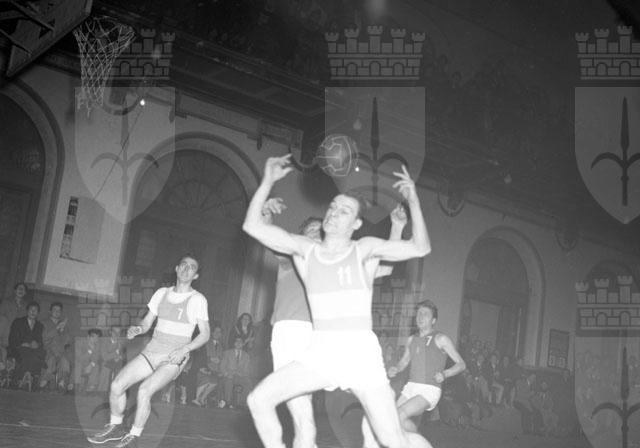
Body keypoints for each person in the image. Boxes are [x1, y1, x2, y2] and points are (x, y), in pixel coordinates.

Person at [242, 155, 433, 448]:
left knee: (392, 439)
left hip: (360, 354)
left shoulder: (364, 249)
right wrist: (267, 181)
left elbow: (420, 247)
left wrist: (414, 201)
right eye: (332, 207)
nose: (333, 213)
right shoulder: (305, 250)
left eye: (344, 211)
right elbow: (252, 226)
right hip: (322, 352)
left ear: (356, 223)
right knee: (259, 400)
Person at [263, 198, 407, 448]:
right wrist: (265, 212)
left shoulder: (339, 262)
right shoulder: (294, 254)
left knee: (378, 401)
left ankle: (384, 437)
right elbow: (267, 234)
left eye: (320, 231)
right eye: (311, 231)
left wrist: (397, 227)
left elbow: (386, 267)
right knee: (303, 420)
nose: (317, 235)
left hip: (330, 338)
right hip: (293, 332)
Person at [87, 254, 210, 448]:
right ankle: (115, 427)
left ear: (195, 276)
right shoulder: (161, 293)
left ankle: (134, 436)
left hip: (174, 357)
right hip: (152, 351)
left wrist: (184, 349)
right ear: (176, 268)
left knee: (144, 390)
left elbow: (205, 334)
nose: (186, 269)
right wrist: (137, 329)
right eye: (183, 265)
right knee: (117, 385)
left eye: (192, 267)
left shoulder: (197, 299)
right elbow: (146, 323)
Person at [363, 299, 466, 447]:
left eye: (425, 314)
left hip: (429, 389)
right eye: (418, 313)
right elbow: (404, 362)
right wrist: (396, 368)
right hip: (410, 387)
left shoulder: (441, 338)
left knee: (399, 416)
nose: (420, 317)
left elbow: (461, 364)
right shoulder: (412, 339)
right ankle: (419, 443)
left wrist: (445, 374)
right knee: (391, 420)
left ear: (433, 320)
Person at [8, 300, 46, 387]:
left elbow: (41, 341)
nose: (33, 312)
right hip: (18, 348)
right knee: (26, 352)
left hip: (33, 350)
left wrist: (37, 344)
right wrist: (22, 344)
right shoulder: (18, 321)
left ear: (38, 313)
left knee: (41, 353)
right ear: (27, 311)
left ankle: (27, 378)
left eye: (35, 310)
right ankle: (23, 378)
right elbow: (12, 338)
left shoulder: (40, 325)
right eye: (31, 309)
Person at [39, 302, 72, 390]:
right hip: (47, 350)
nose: (57, 312)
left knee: (65, 360)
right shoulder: (43, 323)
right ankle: (45, 380)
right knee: (51, 359)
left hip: (60, 351)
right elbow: (44, 338)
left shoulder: (64, 325)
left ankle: (62, 382)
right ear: (50, 311)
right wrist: (56, 328)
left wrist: (62, 331)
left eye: (59, 310)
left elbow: (67, 341)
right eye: (54, 310)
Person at [193, 324, 224, 407]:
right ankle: (196, 398)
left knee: (214, 382)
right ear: (212, 332)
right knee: (206, 379)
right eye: (216, 331)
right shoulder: (206, 343)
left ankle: (202, 398)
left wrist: (220, 361)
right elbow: (200, 356)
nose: (217, 333)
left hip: (215, 370)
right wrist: (210, 359)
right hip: (204, 367)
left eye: (219, 332)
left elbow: (222, 358)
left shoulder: (221, 346)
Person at [220, 336, 252, 408]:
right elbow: (222, 367)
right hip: (229, 375)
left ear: (243, 344)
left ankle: (243, 404)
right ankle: (228, 403)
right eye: (237, 341)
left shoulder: (246, 355)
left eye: (240, 342)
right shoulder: (227, 353)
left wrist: (242, 374)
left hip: (240, 376)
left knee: (248, 382)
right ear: (234, 343)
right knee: (229, 381)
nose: (238, 343)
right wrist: (226, 374)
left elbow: (247, 369)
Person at [98, 327, 126, 393]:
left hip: (117, 362)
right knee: (105, 370)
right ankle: (102, 391)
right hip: (105, 362)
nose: (116, 334)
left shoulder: (121, 342)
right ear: (110, 332)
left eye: (119, 332)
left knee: (121, 370)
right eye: (114, 332)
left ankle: (116, 391)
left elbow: (124, 355)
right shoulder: (104, 342)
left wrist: (120, 357)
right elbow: (105, 357)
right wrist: (116, 353)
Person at [76, 328, 102, 393]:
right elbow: (79, 358)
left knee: (96, 366)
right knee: (78, 365)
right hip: (80, 364)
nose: (95, 340)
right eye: (93, 337)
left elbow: (97, 358)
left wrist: (91, 365)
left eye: (97, 338)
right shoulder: (80, 343)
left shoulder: (98, 345)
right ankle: (77, 385)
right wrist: (90, 351)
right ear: (88, 337)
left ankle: (90, 386)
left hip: (89, 365)